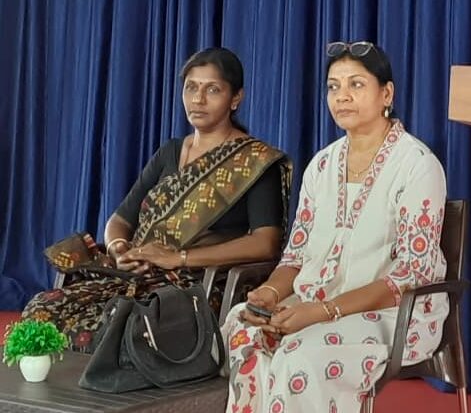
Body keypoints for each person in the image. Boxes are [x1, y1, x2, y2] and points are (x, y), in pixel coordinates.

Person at [223, 41, 448, 413]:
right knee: (244, 328)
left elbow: (412, 274)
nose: (342, 96)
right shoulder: (322, 165)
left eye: (356, 84)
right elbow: (296, 256)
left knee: (299, 355)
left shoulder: (417, 165)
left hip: (395, 314)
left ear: (386, 94)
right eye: (333, 86)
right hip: (313, 303)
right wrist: (270, 294)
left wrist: (323, 312)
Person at [22, 47, 292, 351]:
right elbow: (120, 219)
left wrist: (179, 258)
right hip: (137, 276)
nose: (198, 99)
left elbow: (265, 243)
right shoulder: (170, 152)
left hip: (197, 284)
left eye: (212, 90)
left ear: (236, 98)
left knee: (125, 328)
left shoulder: (256, 162)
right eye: (191, 87)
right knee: (42, 309)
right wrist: (120, 249)